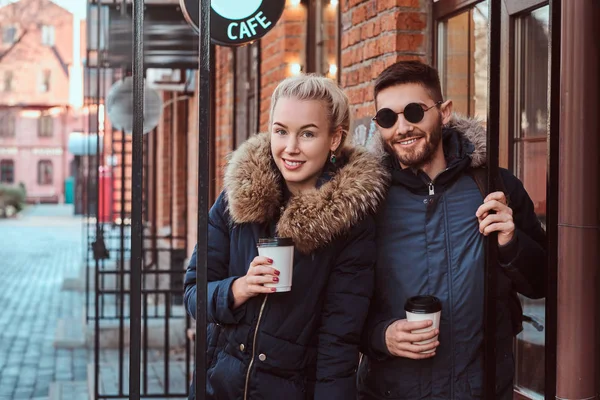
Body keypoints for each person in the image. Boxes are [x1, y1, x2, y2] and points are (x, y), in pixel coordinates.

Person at [184, 74, 389, 400]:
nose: (290, 148)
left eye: (307, 133)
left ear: (335, 138)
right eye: (281, 131)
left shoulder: (351, 224)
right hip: (216, 388)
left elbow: (337, 343)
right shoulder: (236, 197)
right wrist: (239, 288)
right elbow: (194, 294)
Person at [358, 61, 547, 399]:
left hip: (481, 389)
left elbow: (543, 283)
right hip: (389, 390)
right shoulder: (366, 201)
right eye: (387, 118)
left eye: (414, 112)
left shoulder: (495, 186)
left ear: (444, 112)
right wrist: (378, 336)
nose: (401, 128)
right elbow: (337, 301)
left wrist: (511, 243)